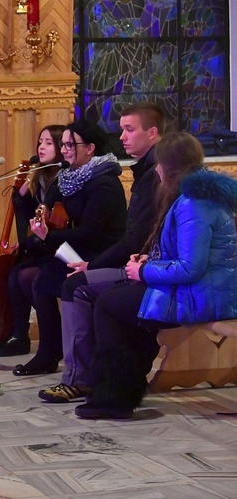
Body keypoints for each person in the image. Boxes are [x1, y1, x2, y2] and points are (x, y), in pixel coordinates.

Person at [75, 132, 237, 419]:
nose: (157, 171)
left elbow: (191, 268)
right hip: (203, 289)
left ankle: (115, 397)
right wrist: (152, 259)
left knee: (109, 305)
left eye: (159, 165)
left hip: (205, 296)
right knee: (116, 301)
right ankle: (123, 390)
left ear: (167, 167)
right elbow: (190, 256)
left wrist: (144, 271)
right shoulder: (197, 196)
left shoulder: (193, 203)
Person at [39, 103, 164, 403]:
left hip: (146, 266)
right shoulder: (144, 170)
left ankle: (83, 378)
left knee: (77, 285)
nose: (121, 136)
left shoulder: (148, 175)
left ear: (153, 132)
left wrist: (92, 265)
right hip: (139, 261)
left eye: (129, 129)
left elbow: (131, 237)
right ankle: (78, 371)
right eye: (121, 129)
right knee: (45, 278)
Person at [11, 120, 128, 376]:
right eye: (62, 144)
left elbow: (90, 233)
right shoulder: (68, 177)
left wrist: (47, 237)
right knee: (30, 276)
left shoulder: (103, 183)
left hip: (100, 252)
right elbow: (47, 210)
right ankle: (49, 350)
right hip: (74, 248)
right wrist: (34, 212)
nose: (64, 150)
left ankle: (55, 351)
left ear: (90, 148)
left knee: (43, 278)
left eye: (69, 145)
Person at [0, 124, 64, 357]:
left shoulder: (62, 179)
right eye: (40, 142)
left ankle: (51, 339)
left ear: (63, 147)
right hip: (43, 242)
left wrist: (26, 244)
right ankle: (17, 335)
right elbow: (33, 216)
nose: (41, 147)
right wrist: (21, 193)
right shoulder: (41, 176)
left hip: (59, 246)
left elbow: (52, 220)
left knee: (27, 275)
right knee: (14, 273)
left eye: (48, 143)